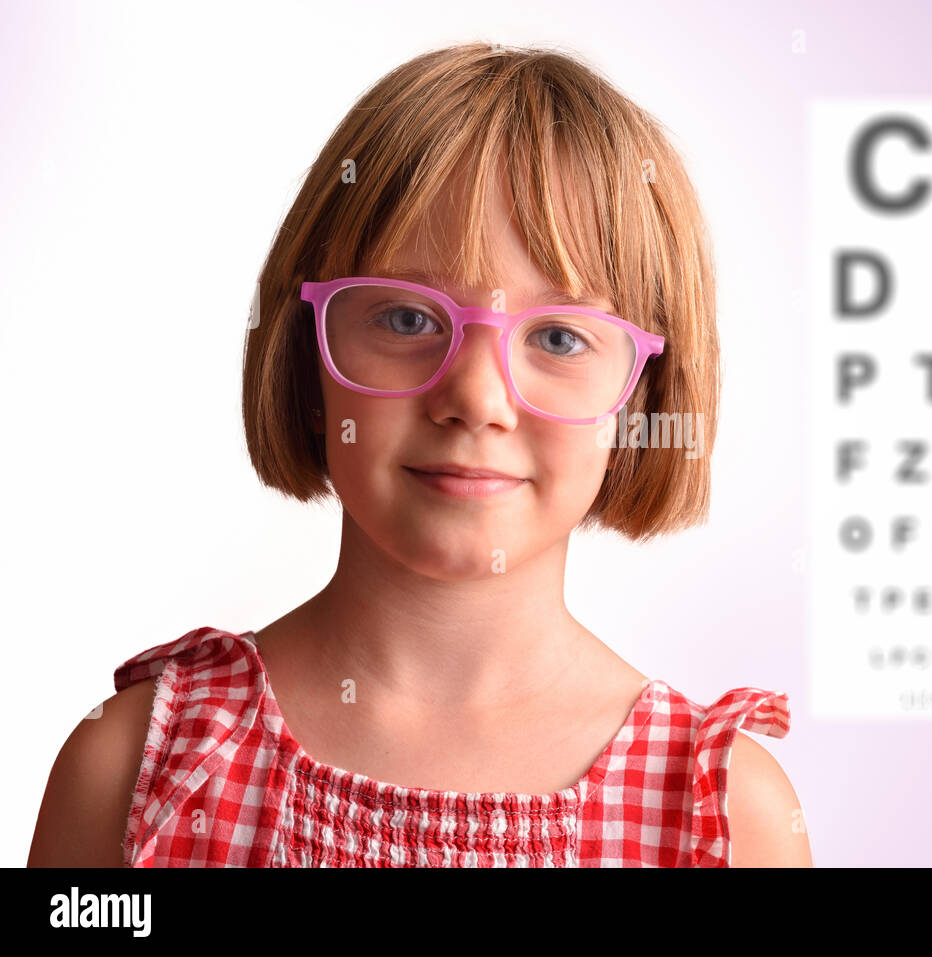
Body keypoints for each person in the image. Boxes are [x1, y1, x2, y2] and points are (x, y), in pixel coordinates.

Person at [28, 42, 810, 868]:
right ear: (307, 351)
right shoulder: (139, 773)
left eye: (557, 336)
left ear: (643, 394)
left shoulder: (721, 815)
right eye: (407, 319)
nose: (476, 397)